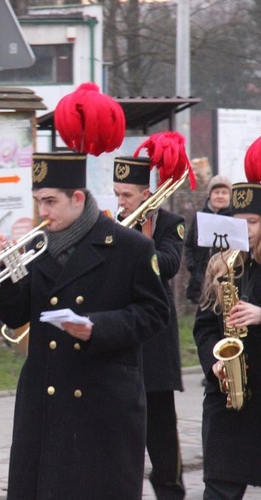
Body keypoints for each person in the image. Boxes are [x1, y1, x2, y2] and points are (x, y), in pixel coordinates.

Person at [0, 83, 170, 499]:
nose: (42, 212)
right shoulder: (33, 247)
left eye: (50, 202)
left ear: (77, 197)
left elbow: (154, 314)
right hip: (46, 403)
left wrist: (97, 328)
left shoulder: (129, 246)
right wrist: (5, 267)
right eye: (37, 201)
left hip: (102, 404)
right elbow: (14, 316)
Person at [113, 136, 190, 499]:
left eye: (126, 195)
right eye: (117, 194)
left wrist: (135, 243)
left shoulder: (170, 223)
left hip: (156, 344)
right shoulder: (113, 227)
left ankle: (171, 492)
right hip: (123, 339)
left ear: (146, 194)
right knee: (122, 434)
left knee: (162, 435)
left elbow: (169, 264)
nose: (120, 202)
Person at [193, 139, 261, 499]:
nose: (245, 230)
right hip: (228, 400)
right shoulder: (222, 264)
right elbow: (204, 327)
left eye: (252, 221)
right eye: (238, 222)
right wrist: (215, 362)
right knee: (218, 490)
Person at [185, 174, 233, 304]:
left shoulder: (235, 219)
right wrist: (193, 267)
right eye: (216, 192)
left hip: (227, 279)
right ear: (210, 195)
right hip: (201, 278)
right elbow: (189, 245)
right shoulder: (200, 218)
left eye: (224, 192)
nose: (220, 196)